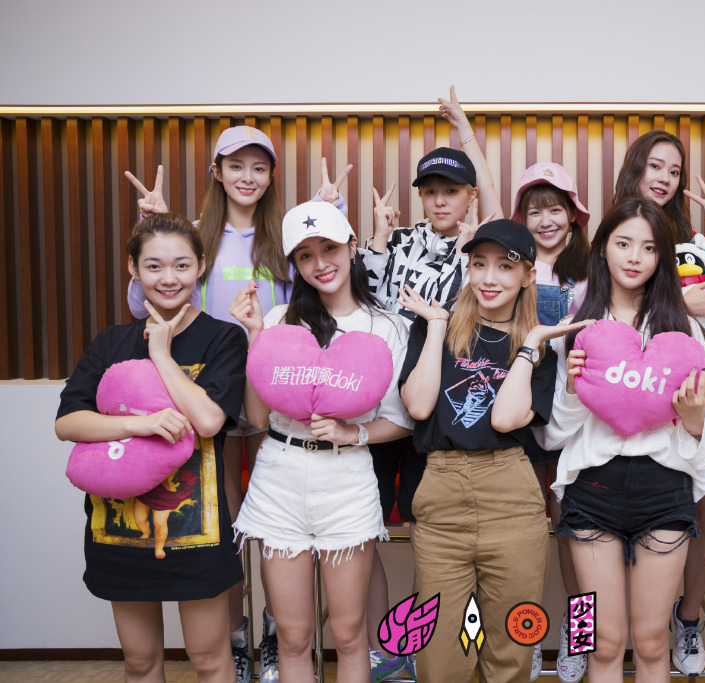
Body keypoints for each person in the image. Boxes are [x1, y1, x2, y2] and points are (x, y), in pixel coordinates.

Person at [312, 87, 504, 678]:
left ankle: (433, 650)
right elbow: (348, 289)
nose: (441, 200)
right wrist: (346, 219)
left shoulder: (484, 250)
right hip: (372, 403)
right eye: (432, 191)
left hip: (438, 407)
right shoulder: (394, 241)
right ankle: (379, 649)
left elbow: (496, 234)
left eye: (453, 190)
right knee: (363, 529)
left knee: (431, 535)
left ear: (470, 195)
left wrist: (466, 127)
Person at [125, 125, 314, 682]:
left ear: (271, 176)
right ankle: (234, 635)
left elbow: (318, 296)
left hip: (276, 389)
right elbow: (142, 306)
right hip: (212, 391)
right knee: (224, 520)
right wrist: (149, 225)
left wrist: (332, 216)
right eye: (235, 166)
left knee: (279, 518)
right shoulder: (196, 235)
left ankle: (280, 634)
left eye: (258, 167)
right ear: (217, 172)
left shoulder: (284, 235)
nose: (247, 177)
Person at [55, 213, 248, 683]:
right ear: (134, 268)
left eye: (181, 265)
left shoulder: (223, 338)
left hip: (199, 533)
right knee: (140, 663)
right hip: (118, 531)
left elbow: (208, 421)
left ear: (201, 266)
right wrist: (141, 423)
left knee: (209, 661)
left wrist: (161, 354)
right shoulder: (110, 343)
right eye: (154, 266)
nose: (169, 278)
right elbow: (68, 423)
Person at [229, 200, 414, 683]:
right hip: (280, 478)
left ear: (353, 247)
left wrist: (353, 433)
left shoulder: (387, 326)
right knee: (293, 637)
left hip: (347, 480)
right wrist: (256, 337)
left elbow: (402, 421)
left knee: (350, 636)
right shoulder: (278, 320)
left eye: (329, 248)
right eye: (306, 255)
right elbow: (256, 417)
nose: (320, 264)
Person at [538, 198, 705, 683]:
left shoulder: (684, 329)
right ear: (602, 249)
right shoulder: (577, 328)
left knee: (652, 640)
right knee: (602, 642)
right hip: (591, 491)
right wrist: (574, 392)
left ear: (662, 257)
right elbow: (554, 436)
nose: (635, 257)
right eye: (623, 243)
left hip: (665, 491)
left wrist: (695, 422)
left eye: (649, 247)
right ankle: (577, 641)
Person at [398, 219, 587, 682]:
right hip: (441, 489)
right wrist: (437, 326)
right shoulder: (435, 327)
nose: (489, 277)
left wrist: (529, 346)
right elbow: (418, 406)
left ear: (528, 275)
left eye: (505, 266)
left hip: (511, 493)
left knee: (511, 647)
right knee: (441, 653)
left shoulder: (541, 346)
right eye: (479, 264)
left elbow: (505, 419)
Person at [612, 130, 705, 673]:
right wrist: (684, 304)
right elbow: (610, 314)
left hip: (691, 391)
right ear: (635, 169)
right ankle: (583, 628)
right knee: (578, 517)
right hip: (622, 396)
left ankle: (685, 621)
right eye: (655, 165)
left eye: (674, 170)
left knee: (702, 506)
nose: (664, 177)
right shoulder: (614, 233)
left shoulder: (694, 241)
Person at [510, 162, 591, 681]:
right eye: (534, 211)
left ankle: (578, 636)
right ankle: (524, 637)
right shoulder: (510, 264)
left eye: (555, 209)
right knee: (522, 534)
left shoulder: (593, 269)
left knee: (574, 532)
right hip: (519, 409)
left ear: (572, 215)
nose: (545, 221)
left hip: (575, 412)